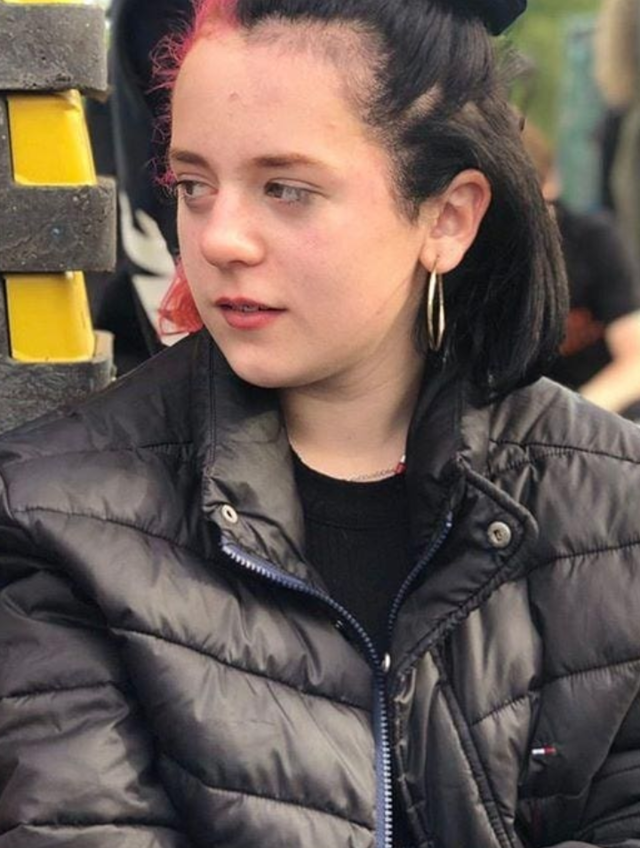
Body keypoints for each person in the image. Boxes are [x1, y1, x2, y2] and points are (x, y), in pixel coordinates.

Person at [1, 2, 640, 848]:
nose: (221, 238)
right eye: (193, 186)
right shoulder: (60, 512)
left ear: (447, 218)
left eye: (286, 189)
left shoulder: (614, 503)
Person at [521, 121, 640, 420]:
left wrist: (569, 421)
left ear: (551, 183)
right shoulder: (479, 263)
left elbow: (635, 361)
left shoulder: (594, 239)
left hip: (598, 411)